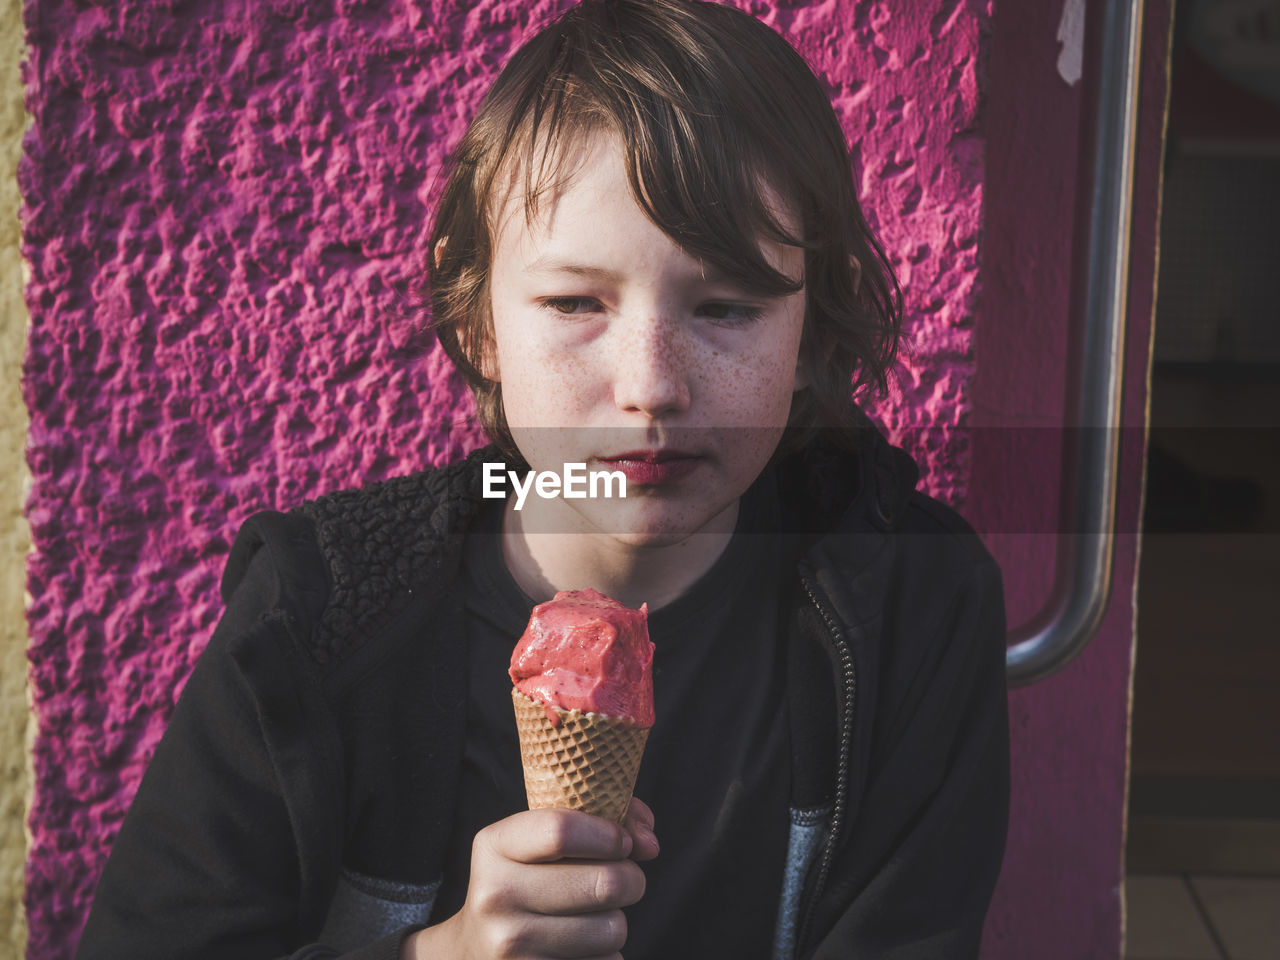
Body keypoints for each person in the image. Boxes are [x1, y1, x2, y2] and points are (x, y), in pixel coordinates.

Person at [77, 1, 1010, 958]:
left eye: (726, 307)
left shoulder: (914, 606)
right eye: (574, 301)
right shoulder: (318, 610)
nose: (651, 387)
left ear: (812, 335)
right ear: (479, 319)